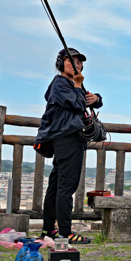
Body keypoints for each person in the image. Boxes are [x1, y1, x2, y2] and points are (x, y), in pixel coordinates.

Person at [35, 48, 102, 245]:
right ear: (60, 63)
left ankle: (49, 229)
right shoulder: (61, 83)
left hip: (65, 138)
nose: (77, 65)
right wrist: (79, 85)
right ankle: (65, 232)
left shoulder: (70, 84)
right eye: (71, 61)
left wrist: (96, 98)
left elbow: (90, 102)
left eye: (79, 63)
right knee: (67, 186)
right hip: (68, 138)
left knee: (56, 185)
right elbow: (77, 104)